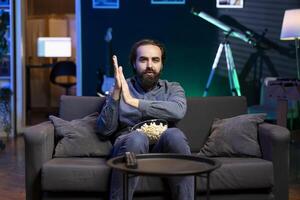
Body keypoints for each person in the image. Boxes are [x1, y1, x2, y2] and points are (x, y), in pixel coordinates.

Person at [97, 39, 193, 200]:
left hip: (162, 147)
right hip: (129, 145)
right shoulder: (121, 87)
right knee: (137, 137)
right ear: (134, 63)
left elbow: (178, 112)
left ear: (162, 64)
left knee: (174, 134)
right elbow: (104, 131)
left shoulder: (173, 88)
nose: (149, 65)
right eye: (143, 59)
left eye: (155, 60)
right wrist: (116, 93)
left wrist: (133, 102)